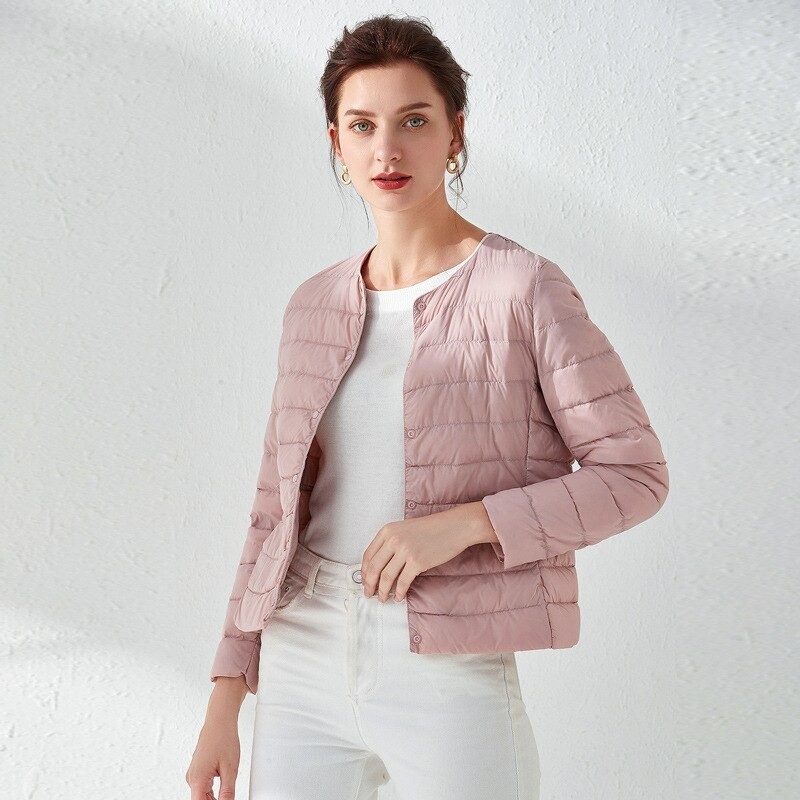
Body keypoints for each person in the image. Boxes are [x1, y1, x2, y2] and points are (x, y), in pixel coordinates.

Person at [186, 14, 669, 800]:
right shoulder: (313, 305)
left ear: (455, 133)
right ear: (337, 143)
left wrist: (465, 524)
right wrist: (226, 692)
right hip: (301, 648)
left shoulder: (523, 288)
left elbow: (635, 474)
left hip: (447, 658)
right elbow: (274, 511)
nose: (387, 150)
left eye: (414, 120)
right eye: (362, 125)